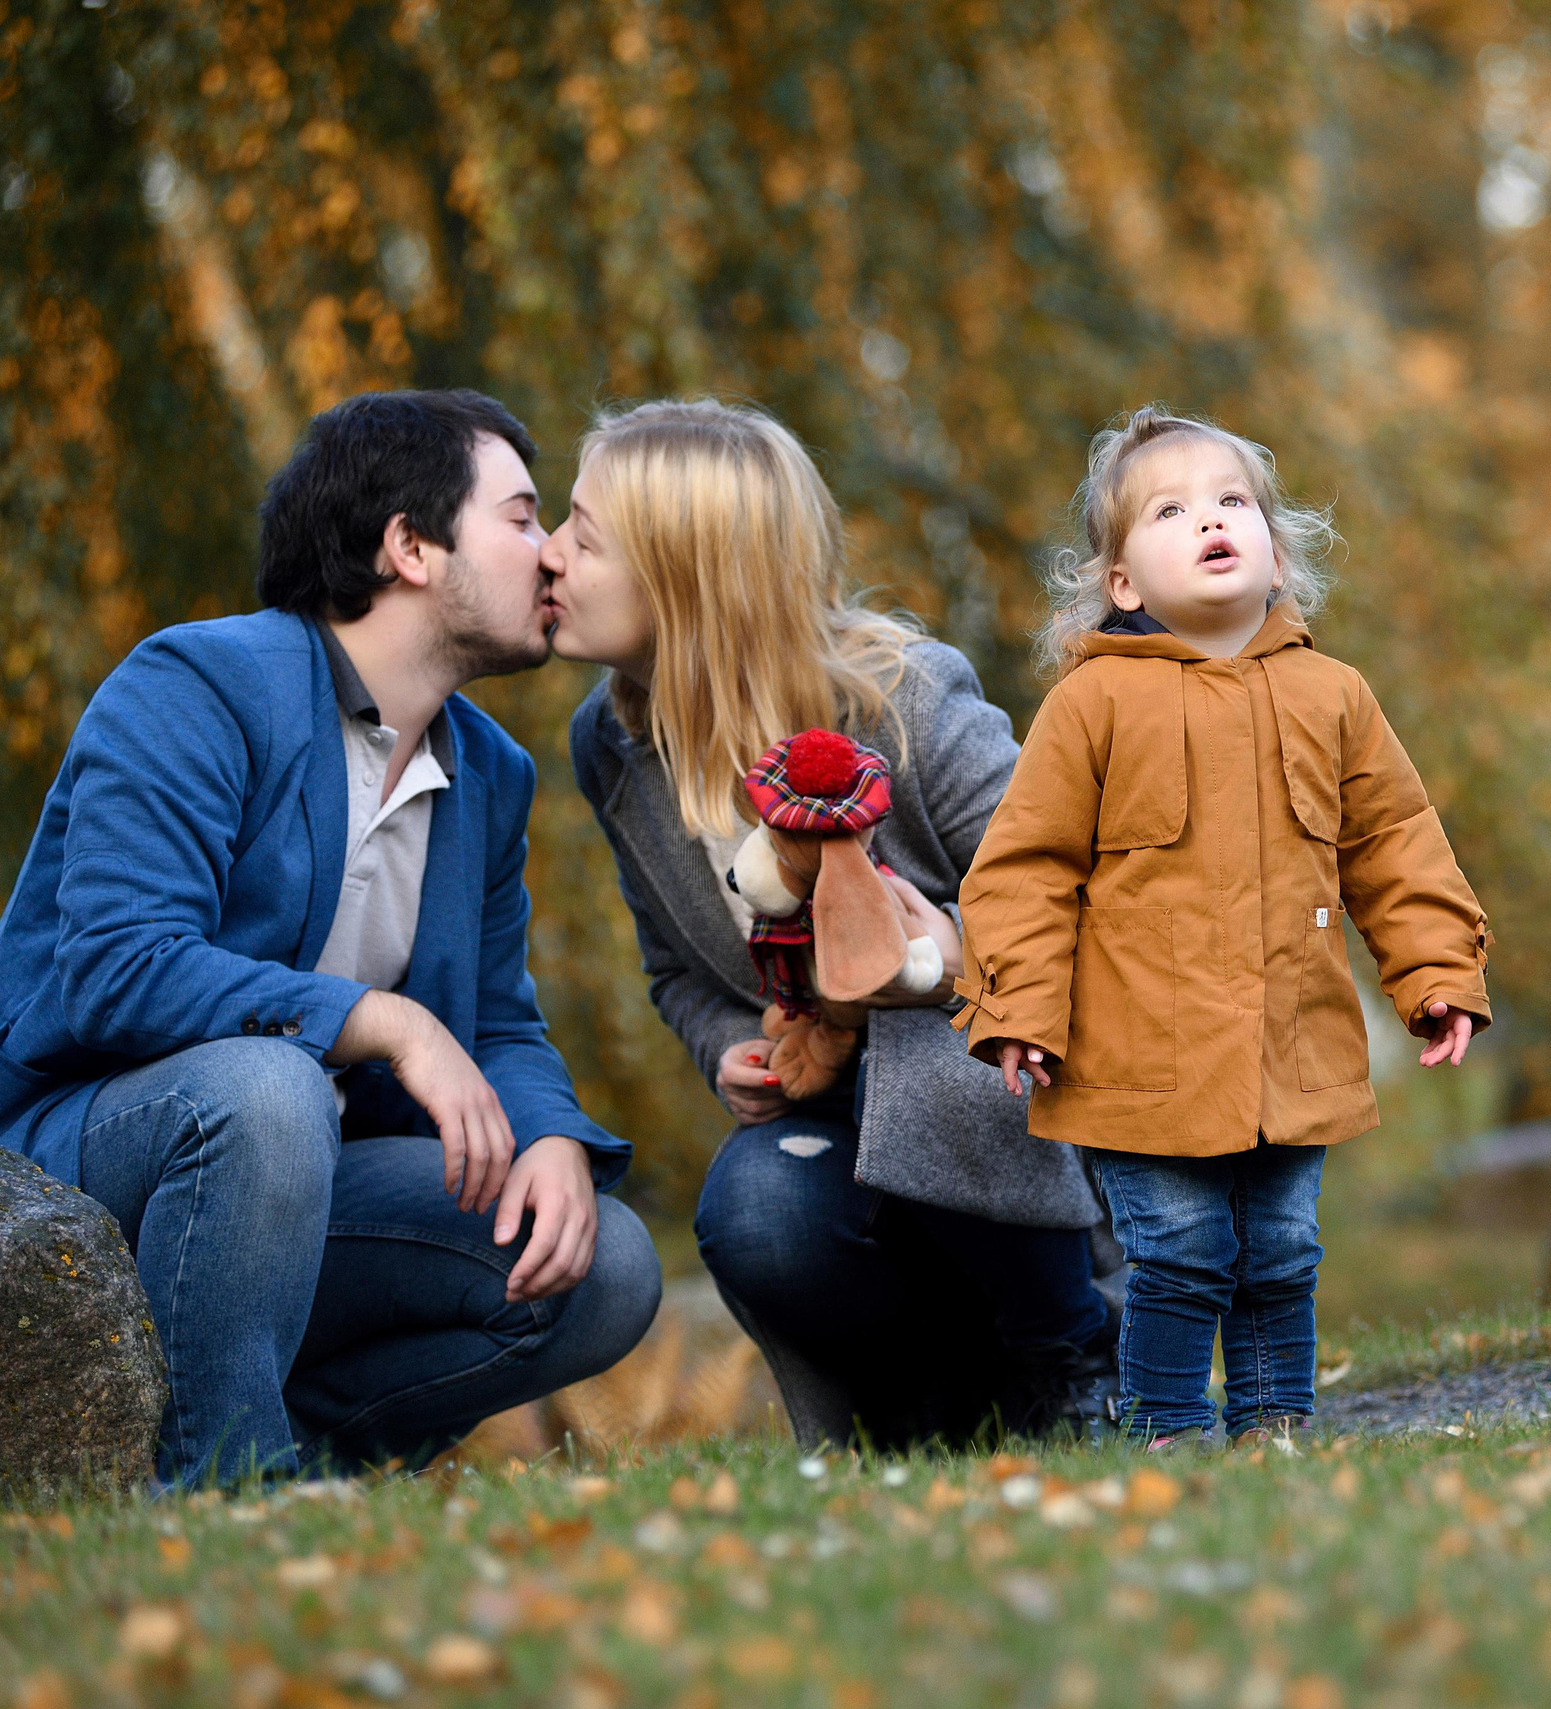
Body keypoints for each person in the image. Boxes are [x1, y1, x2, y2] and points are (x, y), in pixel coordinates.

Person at [0, 388, 663, 1486]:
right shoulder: (196, 684)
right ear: (411, 545)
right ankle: (233, 1482)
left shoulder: (490, 775)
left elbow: (505, 1021)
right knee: (267, 1089)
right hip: (73, 1156)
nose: (554, 555)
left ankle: (295, 1463)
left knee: (599, 1263)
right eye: (522, 518)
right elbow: (117, 965)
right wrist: (383, 1021)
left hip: (292, 1186)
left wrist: (551, 1138)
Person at [548, 398, 1116, 1447]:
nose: (546, 557)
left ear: (686, 571)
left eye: (581, 537)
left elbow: (1081, 903)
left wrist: (944, 951)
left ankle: (1074, 1358)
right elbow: (675, 971)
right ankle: (922, 1409)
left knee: (929, 1066)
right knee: (756, 1215)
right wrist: (726, 1048)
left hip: (997, 1094)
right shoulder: (612, 744)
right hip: (820, 1104)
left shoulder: (908, 698)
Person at [954, 406, 1492, 1450]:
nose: (1209, 519)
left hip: (1292, 1041)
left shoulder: (1332, 695)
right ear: (1120, 580)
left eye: (1232, 500)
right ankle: (1164, 1433)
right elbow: (1025, 867)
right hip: (1140, 1057)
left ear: (1275, 552)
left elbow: (1393, 843)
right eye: (1170, 509)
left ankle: (1273, 1432)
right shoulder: (1091, 704)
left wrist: (1435, 971)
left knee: (1282, 1249)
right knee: (1185, 1249)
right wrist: (1018, 1005)